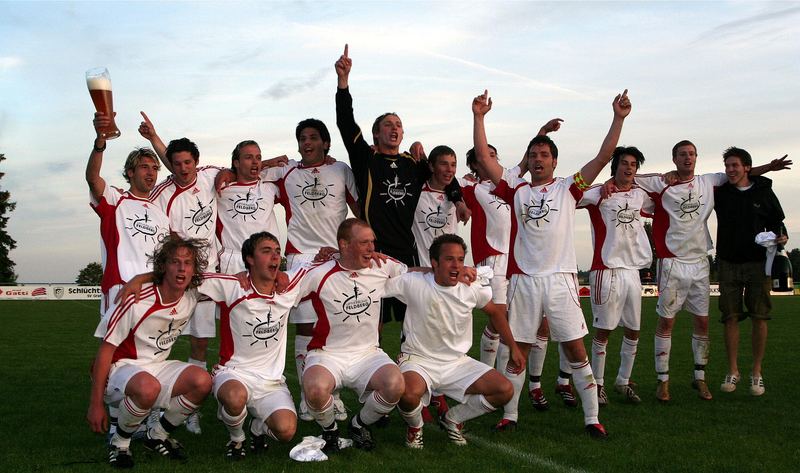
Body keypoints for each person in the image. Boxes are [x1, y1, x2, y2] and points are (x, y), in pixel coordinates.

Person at [473, 87, 632, 437]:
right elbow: (484, 159)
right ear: (528, 161)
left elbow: (603, 157)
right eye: (534, 155)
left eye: (544, 154)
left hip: (560, 280)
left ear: (554, 161)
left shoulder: (568, 188)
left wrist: (618, 118)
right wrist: (480, 117)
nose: (539, 159)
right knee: (521, 349)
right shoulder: (516, 192)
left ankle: (592, 419)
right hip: (524, 281)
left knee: (575, 348)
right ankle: (510, 415)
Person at [630, 140, 789, 402]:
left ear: (697, 158)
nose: (687, 158)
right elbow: (630, 177)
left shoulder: (710, 181)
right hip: (672, 261)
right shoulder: (662, 182)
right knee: (666, 322)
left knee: (702, 322)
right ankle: (663, 381)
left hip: (700, 262)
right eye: (682, 155)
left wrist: (769, 167)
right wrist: (653, 177)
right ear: (674, 159)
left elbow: (741, 173)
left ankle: (700, 378)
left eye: (691, 154)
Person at [334, 44, 468, 326]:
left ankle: (411, 367)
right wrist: (343, 83)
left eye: (398, 125)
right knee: (373, 322)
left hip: (407, 251)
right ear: (375, 133)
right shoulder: (366, 158)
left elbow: (444, 174)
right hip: (375, 251)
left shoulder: (412, 163)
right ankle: (374, 367)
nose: (394, 128)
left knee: (413, 320)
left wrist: (458, 200)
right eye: (387, 125)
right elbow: (346, 124)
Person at [87, 235, 212, 468]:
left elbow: (230, 281)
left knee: (203, 381)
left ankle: (157, 435)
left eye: (188, 263)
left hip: (155, 367)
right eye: (175, 261)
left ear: (194, 269)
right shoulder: (136, 299)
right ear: (163, 265)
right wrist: (95, 404)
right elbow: (105, 350)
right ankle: (120, 442)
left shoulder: (192, 293)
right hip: (120, 369)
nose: (182, 268)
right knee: (148, 388)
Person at [389, 234, 525, 448]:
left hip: (457, 363)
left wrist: (513, 347)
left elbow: (496, 313)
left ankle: (453, 419)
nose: (457, 266)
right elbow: (379, 279)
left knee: (504, 390)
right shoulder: (412, 283)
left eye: (460, 259)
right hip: (418, 360)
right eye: (449, 259)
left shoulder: (471, 288)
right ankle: (415, 427)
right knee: (406, 393)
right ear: (434, 262)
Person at [272, 118, 359, 422]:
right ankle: (307, 398)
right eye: (301, 138)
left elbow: (361, 212)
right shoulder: (286, 173)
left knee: (333, 331)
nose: (306, 143)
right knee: (306, 330)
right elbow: (246, 173)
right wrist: (272, 160)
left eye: (312, 137)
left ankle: (329, 394)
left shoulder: (341, 170)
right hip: (301, 260)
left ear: (325, 142)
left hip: (335, 259)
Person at [300, 218, 408, 453]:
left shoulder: (383, 266)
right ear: (344, 245)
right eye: (364, 243)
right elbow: (283, 286)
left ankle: (358, 425)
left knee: (396, 384)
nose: (372, 249)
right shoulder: (319, 273)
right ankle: (329, 432)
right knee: (316, 389)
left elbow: (416, 275)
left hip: (367, 353)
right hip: (328, 354)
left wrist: (455, 272)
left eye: (372, 242)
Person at [200, 232, 310, 459]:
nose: (275, 257)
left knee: (286, 431)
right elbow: (188, 276)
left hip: (271, 382)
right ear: (249, 259)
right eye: (266, 251)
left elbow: (325, 266)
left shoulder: (289, 286)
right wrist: (139, 280)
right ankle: (237, 438)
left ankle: (257, 428)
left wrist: (335, 252)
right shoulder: (233, 287)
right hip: (234, 373)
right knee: (234, 397)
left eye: (278, 252)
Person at [578, 146, 654, 405]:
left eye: (634, 164)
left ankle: (623, 381)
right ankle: (597, 385)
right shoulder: (599, 193)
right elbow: (571, 196)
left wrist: (670, 177)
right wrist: (604, 185)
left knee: (634, 331)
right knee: (603, 332)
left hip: (633, 271)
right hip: (605, 270)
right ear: (615, 166)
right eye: (624, 163)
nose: (629, 168)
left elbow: (663, 192)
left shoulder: (639, 195)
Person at [714, 147, 788, 397]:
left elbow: (777, 222)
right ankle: (733, 370)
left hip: (759, 263)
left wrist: (781, 237)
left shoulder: (764, 191)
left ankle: (756, 372)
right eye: (727, 166)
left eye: (735, 165)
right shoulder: (721, 192)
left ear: (746, 167)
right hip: (728, 262)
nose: (730, 170)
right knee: (730, 316)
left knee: (760, 316)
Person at [86, 112, 169, 326]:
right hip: (119, 288)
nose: (151, 173)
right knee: (111, 353)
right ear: (130, 172)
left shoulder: (161, 211)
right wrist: (100, 142)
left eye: (154, 168)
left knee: (144, 356)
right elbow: (93, 179)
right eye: (144, 167)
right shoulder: (116, 199)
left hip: (153, 291)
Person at [216, 140, 280, 275]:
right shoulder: (220, 187)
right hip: (233, 260)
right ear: (236, 163)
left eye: (258, 157)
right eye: (248, 157)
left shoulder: (270, 187)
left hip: (266, 260)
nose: (255, 162)